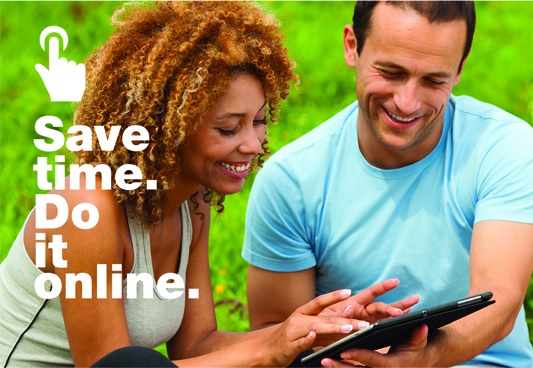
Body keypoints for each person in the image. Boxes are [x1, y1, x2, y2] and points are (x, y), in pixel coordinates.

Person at [0, 2, 417, 366]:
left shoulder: (190, 202)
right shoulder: (85, 211)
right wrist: (267, 351)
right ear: (167, 129)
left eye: (257, 121)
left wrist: (313, 331)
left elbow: (197, 347)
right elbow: (112, 367)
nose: (254, 144)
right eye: (228, 128)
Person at [242, 1, 533, 367]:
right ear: (352, 46)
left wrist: (420, 361)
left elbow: (500, 299)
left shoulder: (502, 147)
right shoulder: (292, 181)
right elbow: (277, 340)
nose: (407, 102)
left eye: (435, 80)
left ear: (460, 68)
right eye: (390, 72)